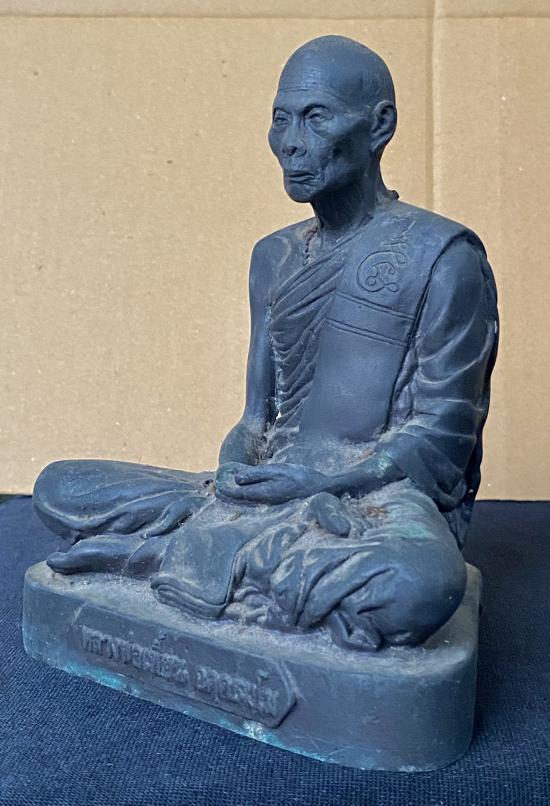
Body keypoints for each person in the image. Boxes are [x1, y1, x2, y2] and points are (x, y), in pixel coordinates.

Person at [33, 35, 498, 652]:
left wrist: (323, 486)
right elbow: (257, 419)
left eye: (316, 117)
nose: (291, 142)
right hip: (267, 488)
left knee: (421, 585)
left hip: (372, 498)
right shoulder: (272, 256)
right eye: (281, 119)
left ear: (379, 126)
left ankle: (163, 555)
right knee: (59, 486)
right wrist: (234, 472)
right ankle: (241, 562)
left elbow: (442, 435)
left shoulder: (442, 258)